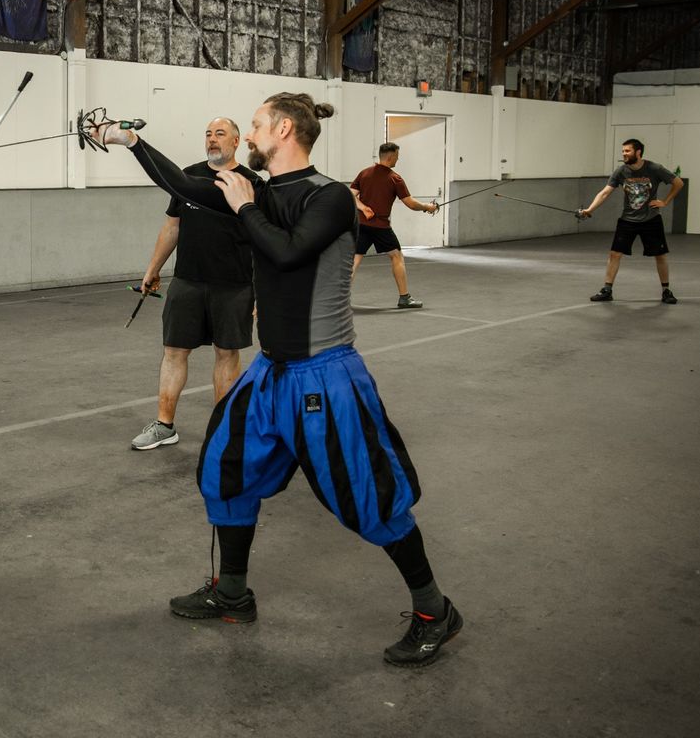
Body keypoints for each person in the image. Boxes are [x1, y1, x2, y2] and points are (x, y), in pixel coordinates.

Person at [94, 94, 463, 667]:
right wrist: (131, 142)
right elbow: (188, 191)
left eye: (257, 127)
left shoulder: (331, 196)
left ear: (284, 130)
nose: (247, 138)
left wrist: (244, 208)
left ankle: (434, 610)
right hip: (271, 372)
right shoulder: (260, 192)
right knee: (225, 470)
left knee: (370, 499)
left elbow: (287, 254)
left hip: (326, 372)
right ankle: (233, 593)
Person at [131, 117, 259, 451]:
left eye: (220, 134)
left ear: (236, 142)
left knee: (226, 353)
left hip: (234, 285)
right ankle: (164, 425)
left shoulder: (250, 183)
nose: (212, 140)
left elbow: (263, 241)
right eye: (208, 134)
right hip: (187, 281)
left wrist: (261, 291)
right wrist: (153, 268)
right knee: (173, 352)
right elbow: (172, 227)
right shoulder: (186, 178)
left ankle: (224, 430)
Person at [578, 138, 683, 304]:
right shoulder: (621, 171)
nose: (624, 154)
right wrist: (589, 209)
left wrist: (665, 201)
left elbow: (678, 183)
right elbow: (605, 192)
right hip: (627, 220)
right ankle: (607, 290)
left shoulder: (654, 168)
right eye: (623, 151)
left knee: (660, 255)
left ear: (638, 152)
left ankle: (666, 291)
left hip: (651, 219)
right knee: (614, 254)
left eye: (627, 151)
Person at [349, 142, 439, 309]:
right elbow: (411, 204)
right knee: (396, 256)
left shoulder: (364, 173)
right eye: (397, 155)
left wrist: (363, 207)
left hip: (362, 224)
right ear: (390, 157)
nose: (398, 158)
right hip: (381, 227)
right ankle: (404, 298)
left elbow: (350, 194)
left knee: (355, 259)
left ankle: (339, 299)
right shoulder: (394, 178)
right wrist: (428, 207)